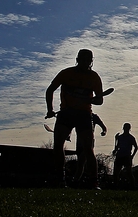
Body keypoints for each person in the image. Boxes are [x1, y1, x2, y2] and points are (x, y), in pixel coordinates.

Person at [45, 49, 105, 188]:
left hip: (84, 114)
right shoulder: (66, 73)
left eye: (88, 60)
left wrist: (89, 99)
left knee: (88, 149)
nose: (85, 62)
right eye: (82, 59)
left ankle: (93, 181)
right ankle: (60, 178)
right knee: (58, 145)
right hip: (66, 113)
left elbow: (100, 100)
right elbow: (50, 90)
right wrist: (50, 109)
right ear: (77, 59)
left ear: (91, 61)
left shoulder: (94, 77)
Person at [113, 122, 138, 188]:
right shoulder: (120, 137)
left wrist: (132, 156)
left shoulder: (131, 138)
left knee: (129, 173)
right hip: (120, 156)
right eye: (125, 127)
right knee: (116, 173)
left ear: (129, 129)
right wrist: (115, 150)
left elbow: (136, 147)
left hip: (127, 156)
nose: (125, 129)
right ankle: (116, 186)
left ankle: (132, 186)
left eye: (127, 128)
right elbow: (117, 146)